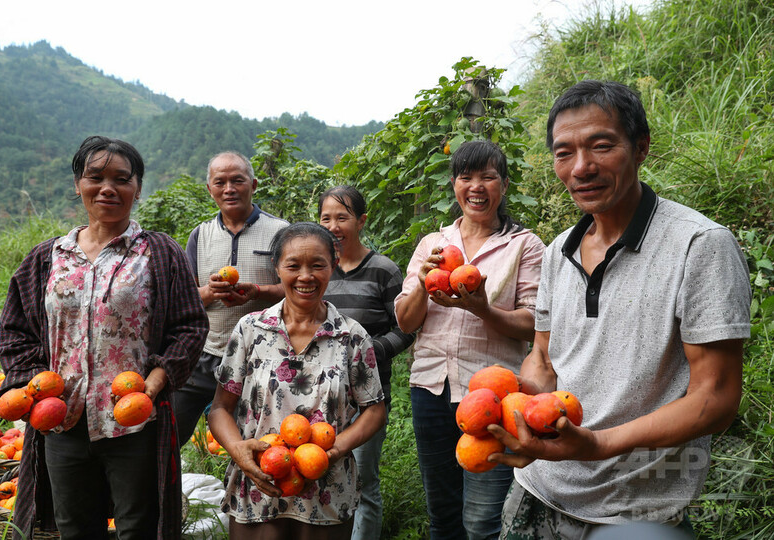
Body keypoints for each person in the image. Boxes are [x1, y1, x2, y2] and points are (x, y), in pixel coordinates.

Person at [488, 80, 751, 538]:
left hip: (633, 512)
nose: (581, 167)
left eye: (602, 146)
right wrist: (520, 401)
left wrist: (595, 445)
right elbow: (545, 356)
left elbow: (717, 398)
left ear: (641, 147)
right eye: (563, 152)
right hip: (536, 488)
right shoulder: (557, 252)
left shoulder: (699, 246)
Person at [0, 135, 209, 540]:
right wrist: (32, 386)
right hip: (62, 424)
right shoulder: (47, 258)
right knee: (74, 529)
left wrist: (156, 383)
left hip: (133, 423)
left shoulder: (159, 253)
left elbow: (190, 326)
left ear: (137, 188)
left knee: (138, 528)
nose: (107, 187)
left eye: (121, 178)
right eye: (95, 176)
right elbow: (15, 330)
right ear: (78, 184)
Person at [394, 140, 546, 540]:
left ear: (505, 185)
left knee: (483, 520)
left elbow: (532, 323)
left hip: (493, 395)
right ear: (454, 184)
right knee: (441, 511)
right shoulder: (433, 244)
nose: (476, 186)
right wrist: (421, 284)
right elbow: (407, 321)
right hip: (430, 388)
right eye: (466, 177)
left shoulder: (523, 245)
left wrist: (480, 308)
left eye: (488, 177)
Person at [208, 222, 388, 539]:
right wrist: (238, 450)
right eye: (293, 265)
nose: (305, 276)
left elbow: (374, 409)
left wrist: (336, 450)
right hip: (259, 485)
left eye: (317, 265)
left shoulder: (351, 336)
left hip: (327, 489)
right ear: (277, 268)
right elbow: (220, 408)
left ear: (333, 266)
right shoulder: (250, 329)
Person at [318, 186, 416, 540]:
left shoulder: (383, 271)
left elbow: (406, 327)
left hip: (367, 399)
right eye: (326, 218)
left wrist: (371, 350)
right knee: (319, 475)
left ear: (361, 221)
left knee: (362, 479)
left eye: (342, 217)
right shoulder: (318, 269)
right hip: (317, 399)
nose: (333, 226)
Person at [173, 151, 288, 447]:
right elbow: (186, 300)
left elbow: (295, 290)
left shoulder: (281, 232)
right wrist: (210, 292)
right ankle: (164, 492)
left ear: (254, 184)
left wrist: (259, 292)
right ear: (209, 189)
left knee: (253, 443)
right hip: (205, 354)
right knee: (169, 435)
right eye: (220, 182)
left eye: (237, 180)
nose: (229, 189)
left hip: (261, 357)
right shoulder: (200, 235)